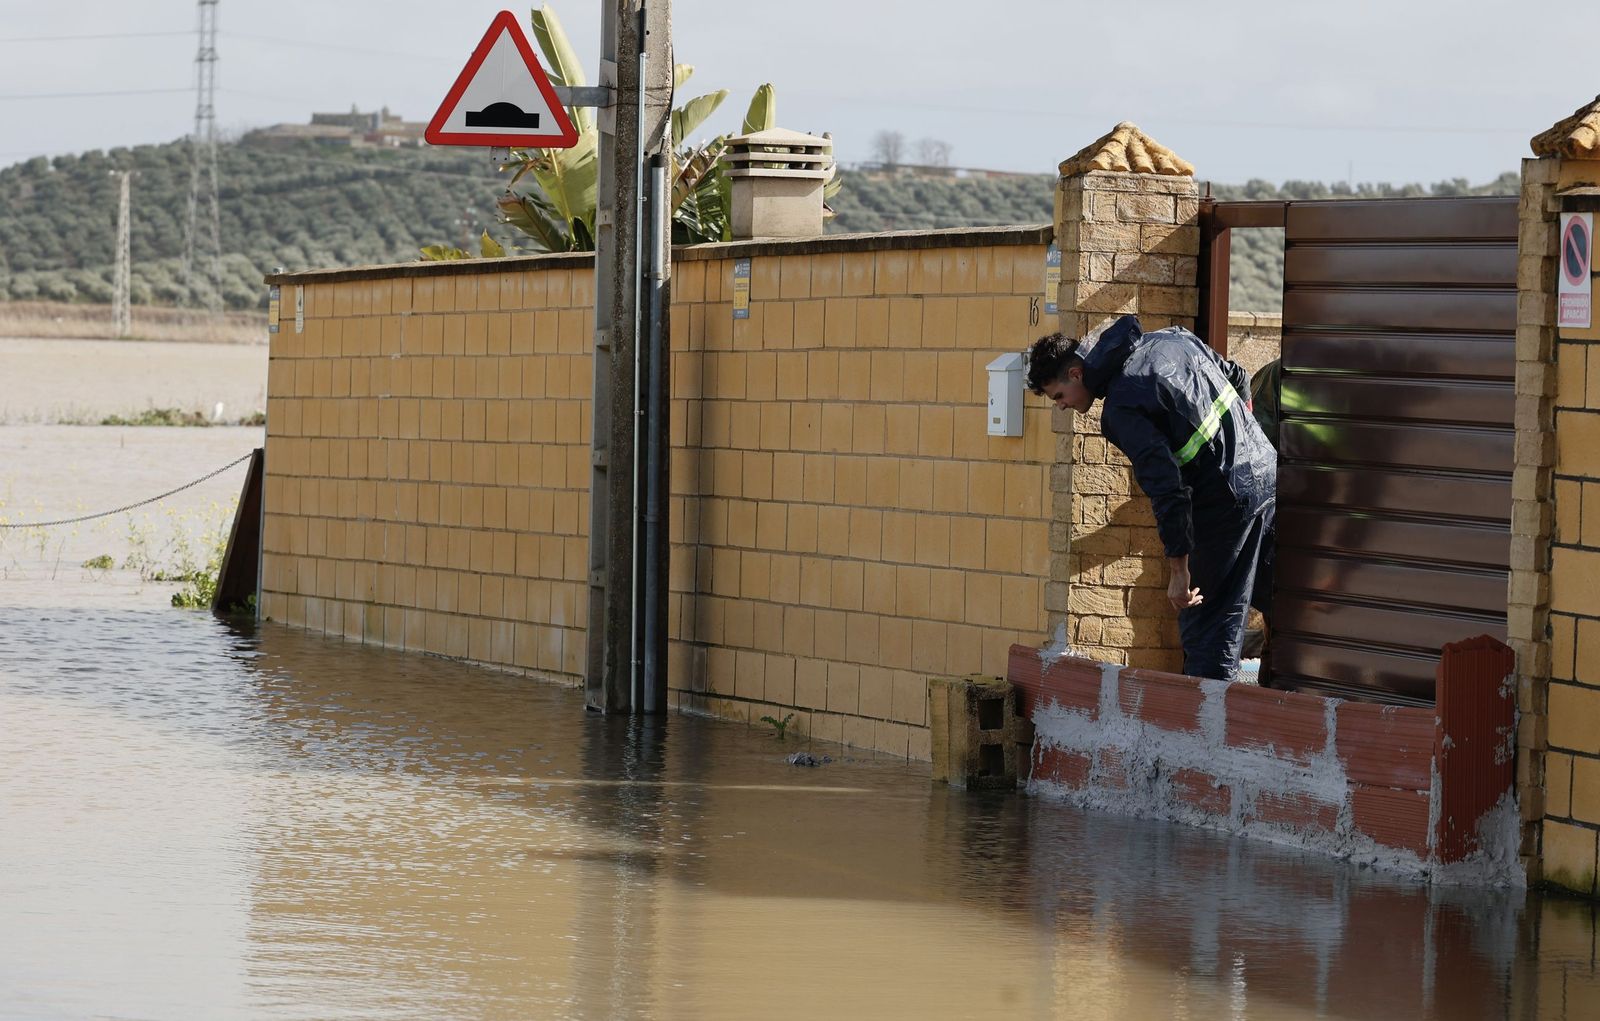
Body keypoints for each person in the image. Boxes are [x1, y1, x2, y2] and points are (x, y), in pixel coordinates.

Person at [1026, 315, 1275, 682]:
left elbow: (1166, 487)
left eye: (1059, 396)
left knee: (1208, 627)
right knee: (1284, 599)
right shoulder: (1174, 338)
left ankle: (1208, 734)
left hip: (1223, 504)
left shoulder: (1122, 407)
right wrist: (1244, 438)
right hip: (1266, 477)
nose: (1061, 406)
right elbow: (1237, 375)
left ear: (1076, 374)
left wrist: (1179, 570)